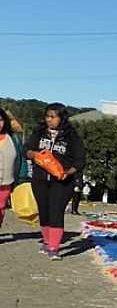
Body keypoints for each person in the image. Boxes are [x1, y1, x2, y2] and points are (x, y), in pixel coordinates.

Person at [23, 102, 86, 259]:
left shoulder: (72, 137)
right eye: (47, 116)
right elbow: (26, 150)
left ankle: (54, 247)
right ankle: (46, 241)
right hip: (40, 179)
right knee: (44, 211)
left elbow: (80, 161)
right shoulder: (39, 133)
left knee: (56, 211)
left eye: (53, 117)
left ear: (62, 118)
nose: (49, 120)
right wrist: (34, 155)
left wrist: (68, 172)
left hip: (63, 181)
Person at [0, 107, 23, 239]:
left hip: (6, 181)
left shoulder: (13, 139)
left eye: (1, 120)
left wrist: (22, 177)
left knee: (1, 208)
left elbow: (21, 158)